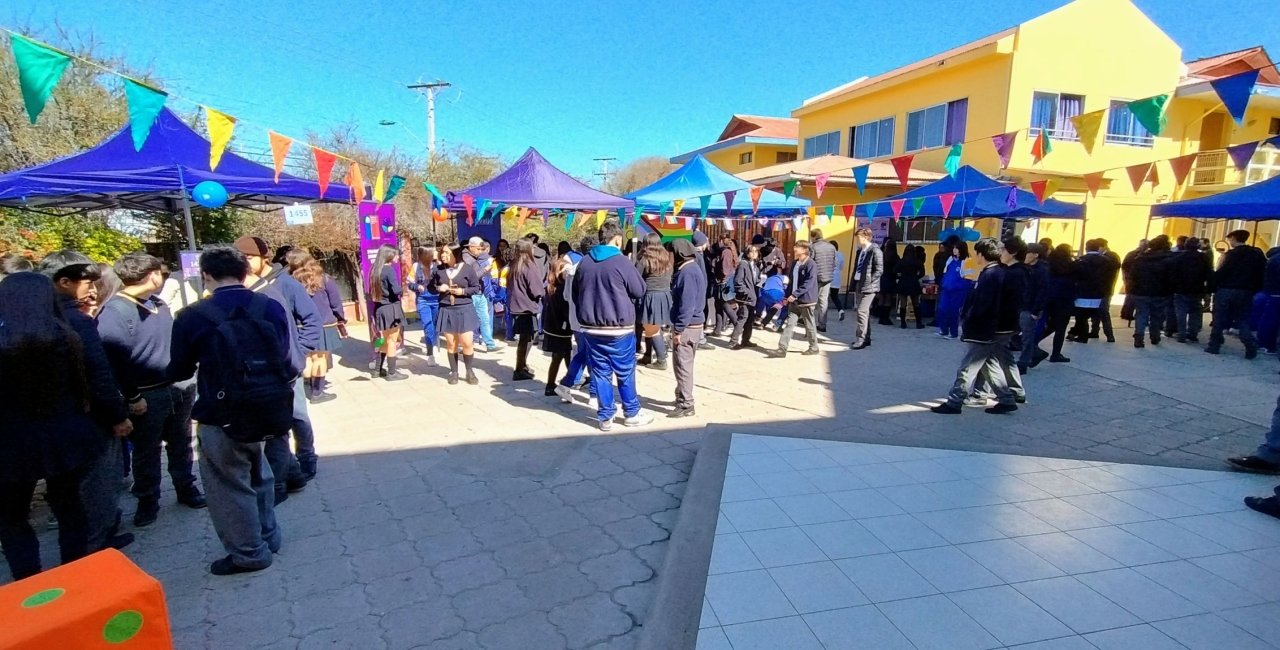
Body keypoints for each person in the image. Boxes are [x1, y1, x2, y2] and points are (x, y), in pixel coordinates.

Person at [168, 246, 291, 575]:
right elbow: (287, 360)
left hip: (220, 412)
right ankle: (269, 535)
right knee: (260, 473)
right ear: (243, 272)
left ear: (205, 275)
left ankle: (249, 553)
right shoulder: (270, 307)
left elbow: (179, 370)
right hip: (268, 405)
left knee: (228, 483)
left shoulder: (192, 316)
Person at [0, 273, 116, 580]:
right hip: (65, 432)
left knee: (12, 516)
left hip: (10, 441)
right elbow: (88, 382)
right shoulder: (66, 333)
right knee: (69, 506)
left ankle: (28, 580)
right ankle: (75, 574)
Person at [97, 253, 205, 528]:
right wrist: (132, 397)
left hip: (178, 387)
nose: (163, 277)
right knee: (147, 451)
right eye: (161, 272)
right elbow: (115, 361)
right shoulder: (115, 312)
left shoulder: (158, 304)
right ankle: (147, 500)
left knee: (181, 443)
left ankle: (186, 488)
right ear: (151, 275)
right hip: (146, 395)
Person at [38, 251, 134, 554]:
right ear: (63, 282)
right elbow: (99, 373)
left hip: (49, 424)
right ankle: (96, 546)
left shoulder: (30, 317)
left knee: (66, 491)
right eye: (87, 282)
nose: (93, 289)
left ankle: (77, 548)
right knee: (97, 485)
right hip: (90, 419)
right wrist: (119, 415)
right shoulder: (76, 321)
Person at [234, 236, 321, 502]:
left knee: (297, 417)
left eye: (249, 258)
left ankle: (306, 455)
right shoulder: (243, 286)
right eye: (242, 259)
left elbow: (312, 319)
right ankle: (289, 474)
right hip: (262, 372)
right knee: (275, 426)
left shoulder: (286, 283)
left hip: (287, 367)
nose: (246, 264)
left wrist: (299, 351)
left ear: (264, 256)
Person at [572, 220, 652, 430]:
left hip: (590, 327)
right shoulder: (621, 261)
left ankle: (605, 417)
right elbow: (638, 290)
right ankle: (631, 412)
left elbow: (575, 294)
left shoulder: (584, 262)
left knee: (600, 372)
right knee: (625, 371)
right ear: (617, 239)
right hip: (619, 327)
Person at [932, 238, 1017, 415]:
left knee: (968, 367)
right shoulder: (998, 272)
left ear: (981, 254)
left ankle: (955, 401)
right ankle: (1006, 399)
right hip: (992, 327)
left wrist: (969, 319)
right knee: (989, 364)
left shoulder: (991, 275)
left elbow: (984, 305)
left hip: (984, 328)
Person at [286, 249, 347, 400]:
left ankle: (307, 388)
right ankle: (317, 392)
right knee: (320, 359)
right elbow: (336, 303)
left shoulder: (290, 282)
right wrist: (340, 318)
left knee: (308, 358)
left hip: (301, 326)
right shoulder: (324, 279)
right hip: (324, 325)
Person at [554, 235, 599, 403]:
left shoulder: (572, 269)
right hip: (590, 321)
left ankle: (566, 385)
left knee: (584, 354)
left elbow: (566, 296)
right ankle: (594, 393)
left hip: (576, 321)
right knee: (594, 357)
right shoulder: (593, 269)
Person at [1207, 229, 1266, 358]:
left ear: (1233, 238)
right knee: (1242, 320)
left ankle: (1214, 345)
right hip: (1246, 291)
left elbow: (1222, 272)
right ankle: (1250, 344)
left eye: (1229, 239)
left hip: (1226, 289)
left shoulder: (1231, 255)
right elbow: (1262, 274)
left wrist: (1212, 284)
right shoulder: (1257, 255)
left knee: (1219, 318)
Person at [431, 245, 483, 385]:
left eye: (446, 253)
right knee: (451, 343)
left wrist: (462, 292)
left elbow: (476, 288)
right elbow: (431, 287)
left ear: (455, 253)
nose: (443, 255)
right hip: (446, 309)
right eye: (442, 253)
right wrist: (438, 288)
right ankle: (454, 372)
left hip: (464, 309)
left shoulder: (467, 269)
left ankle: (469, 371)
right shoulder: (439, 270)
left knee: (467, 342)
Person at [669, 238, 707, 419]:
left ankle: (686, 404)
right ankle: (681, 396)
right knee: (683, 365)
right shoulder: (693, 268)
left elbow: (687, 305)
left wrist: (678, 330)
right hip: (693, 325)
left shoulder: (687, 273)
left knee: (683, 366)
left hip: (688, 327)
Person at [767, 241, 820, 358]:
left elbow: (809, 283)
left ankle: (814, 347)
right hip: (793, 300)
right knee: (789, 324)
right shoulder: (795, 263)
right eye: (795, 246)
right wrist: (787, 296)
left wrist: (795, 294)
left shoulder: (811, 264)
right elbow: (791, 281)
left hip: (806, 300)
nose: (795, 248)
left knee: (809, 324)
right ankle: (782, 349)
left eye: (798, 247)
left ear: (805, 250)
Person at [508, 239, 545, 381]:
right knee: (527, 339)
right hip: (527, 308)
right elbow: (537, 290)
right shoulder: (529, 266)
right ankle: (519, 368)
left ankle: (522, 365)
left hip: (516, 306)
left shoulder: (514, 265)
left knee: (524, 339)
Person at [1128, 235, 1175, 349]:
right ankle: (1155, 335)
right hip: (1160, 292)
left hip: (1140, 292)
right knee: (1156, 315)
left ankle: (1139, 336)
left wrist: (1133, 289)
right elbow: (1171, 278)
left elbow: (1133, 275)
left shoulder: (1139, 259)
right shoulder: (1168, 260)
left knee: (1141, 314)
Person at [636, 233, 673, 370]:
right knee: (653, 327)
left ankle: (661, 360)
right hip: (664, 295)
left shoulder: (643, 259)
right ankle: (647, 355)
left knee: (651, 329)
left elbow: (636, 278)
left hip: (651, 296)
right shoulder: (667, 258)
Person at [1069, 240, 1114, 344]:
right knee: (1100, 314)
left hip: (1083, 292)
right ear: (1098, 248)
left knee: (1081, 316)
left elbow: (1075, 276)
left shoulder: (1081, 261)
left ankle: (1082, 335)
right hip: (1099, 292)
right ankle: (1108, 335)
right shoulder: (1107, 261)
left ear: (1086, 248)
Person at [1039, 244, 1078, 362]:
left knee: (1048, 325)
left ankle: (1030, 343)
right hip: (1065, 300)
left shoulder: (1048, 265)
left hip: (1049, 298)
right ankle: (1056, 353)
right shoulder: (1072, 266)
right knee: (1060, 328)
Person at [541, 257, 574, 397]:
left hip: (552, 325)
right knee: (558, 356)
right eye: (565, 269)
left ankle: (571, 379)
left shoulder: (550, 286)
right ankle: (551, 385)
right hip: (561, 326)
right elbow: (565, 309)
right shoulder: (560, 288)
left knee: (566, 354)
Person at [1171, 237, 1213, 344]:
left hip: (1181, 288)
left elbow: (1173, 274)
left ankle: (1181, 334)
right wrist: (1208, 290)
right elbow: (1209, 274)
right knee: (1196, 311)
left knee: (1181, 311)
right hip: (1197, 288)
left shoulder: (1179, 257)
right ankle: (1193, 333)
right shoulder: (1204, 258)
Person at [464, 237, 502, 353]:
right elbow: (473, 276)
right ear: (471, 247)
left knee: (485, 319)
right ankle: (467, 345)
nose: (481, 252)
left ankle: (490, 344)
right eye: (479, 249)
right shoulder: (466, 259)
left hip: (480, 293)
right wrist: (486, 268)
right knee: (470, 321)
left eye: (482, 249)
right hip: (471, 293)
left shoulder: (474, 258)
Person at [1017, 243, 1050, 373]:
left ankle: (1023, 363)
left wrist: (1036, 311)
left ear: (1035, 255)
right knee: (1013, 334)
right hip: (1021, 305)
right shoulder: (1025, 267)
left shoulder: (1042, 270)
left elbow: (1042, 291)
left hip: (1030, 307)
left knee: (1026, 336)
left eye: (1027, 253)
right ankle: (1036, 353)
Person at [849, 228, 883, 349]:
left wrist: (870, 281)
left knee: (861, 312)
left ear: (866, 237)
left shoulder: (875, 251)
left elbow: (879, 270)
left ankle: (860, 339)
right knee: (864, 312)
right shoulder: (860, 252)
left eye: (859, 237)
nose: (857, 240)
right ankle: (866, 337)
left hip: (869, 286)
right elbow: (856, 268)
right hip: (859, 283)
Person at [408, 245, 440, 366]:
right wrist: (417, 287)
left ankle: (435, 345)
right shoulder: (416, 267)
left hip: (437, 299)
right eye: (434, 251)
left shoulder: (438, 266)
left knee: (436, 325)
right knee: (428, 326)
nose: (437, 252)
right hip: (423, 300)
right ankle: (430, 354)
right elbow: (409, 282)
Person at [936, 238, 973, 339]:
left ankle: (953, 333)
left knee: (954, 311)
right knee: (942, 309)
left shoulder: (967, 261)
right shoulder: (950, 260)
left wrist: (955, 286)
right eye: (954, 248)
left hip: (958, 292)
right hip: (946, 289)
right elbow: (945, 273)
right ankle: (943, 329)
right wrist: (944, 283)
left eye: (957, 248)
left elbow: (968, 280)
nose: (954, 250)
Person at [1088, 239, 1123, 342]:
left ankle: (1109, 334)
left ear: (1101, 247)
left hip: (1105, 288)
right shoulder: (1109, 256)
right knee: (1096, 311)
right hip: (1100, 288)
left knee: (1103, 311)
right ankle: (1094, 331)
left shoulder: (1110, 257)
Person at [731, 244, 761, 349]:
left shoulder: (755, 266)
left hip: (753, 297)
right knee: (743, 318)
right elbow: (738, 281)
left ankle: (746, 340)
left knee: (750, 319)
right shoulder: (743, 264)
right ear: (747, 253)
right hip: (745, 297)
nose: (754, 254)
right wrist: (746, 292)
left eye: (756, 251)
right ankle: (734, 341)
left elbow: (755, 280)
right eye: (751, 251)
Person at [808, 229, 837, 332]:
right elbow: (835, 262)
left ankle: (809, 322)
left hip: (816, 277)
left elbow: (810, 263)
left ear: (814, 236)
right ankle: (822, 324)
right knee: (823, 300)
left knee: (811, 300)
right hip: (828, 277)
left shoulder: (813, 247)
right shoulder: (831, 246)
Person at [693, 232, 717, 351]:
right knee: (698, 313)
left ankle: (699, 338)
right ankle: (699, 339)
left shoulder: (698, 254)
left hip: (700, 290)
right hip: (699, 291)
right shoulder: (698, 256)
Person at [892, 244, 926, 329]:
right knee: (916, 304)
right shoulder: (918, 261)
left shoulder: (901, 261)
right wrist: (916, 277)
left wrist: (900, 276)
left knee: (903, 304)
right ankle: (918, 323)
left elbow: (894, 271)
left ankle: (903, 323)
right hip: (914, 282)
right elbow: (922, 273)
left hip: (903, 282)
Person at [715, 238, 741, 339]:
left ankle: (738, 326)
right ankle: (717, 330)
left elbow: (725, 270)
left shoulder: (725, 252)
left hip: (725, 282)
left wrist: (721, 280)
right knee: (718, 305)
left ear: (721, 242)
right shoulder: (731, 251)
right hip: (728, 281)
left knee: (726, 306)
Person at [1120, 239, 1149, 324]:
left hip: (1132, 278)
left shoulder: (1132, 254)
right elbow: (1125, 266)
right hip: (1134, 279)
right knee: (1131, 297)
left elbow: (1124, 266)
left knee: (1130, 297)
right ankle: (1127, 313)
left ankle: (1127, 313)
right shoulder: (1137, 255)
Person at [877, 237, 900, 326]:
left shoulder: (882, 255)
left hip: (882, 278)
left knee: (881, 298)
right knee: (888, 299)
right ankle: (886, 318)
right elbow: (896, 269)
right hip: (890, 279)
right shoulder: (895, 257)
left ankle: (880, 317)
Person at [831, 242, 846, 322]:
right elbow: (841, 266)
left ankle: (823, 314)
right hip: (837, 278)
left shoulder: (829, 254)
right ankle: (840, 310)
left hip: (828, 277)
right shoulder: (841, 255)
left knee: (823, 297)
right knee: (835, 296)